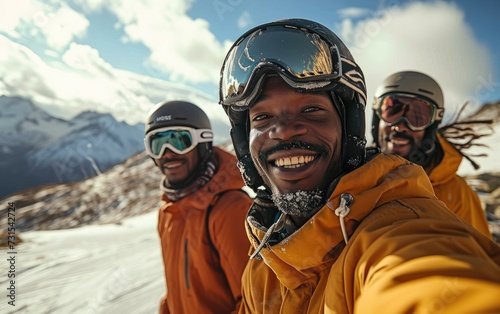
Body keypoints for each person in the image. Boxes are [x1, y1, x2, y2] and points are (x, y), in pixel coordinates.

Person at [218, 18, 500, 313]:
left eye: (312, 109)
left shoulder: (401, 228)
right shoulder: (263, 258)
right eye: (261, 117)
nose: (284, 131)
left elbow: (426, 269)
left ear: (349, 125)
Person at [144, 100, 253, 314]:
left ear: (203, 142)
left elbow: (254, 300)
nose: (168, 153)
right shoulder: (168, 210)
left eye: (179, 140)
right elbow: (178, 287)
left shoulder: (229, 209)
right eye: (157, 143)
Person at [371, 70, 491, 238]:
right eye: (392, 111)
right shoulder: (351, 176)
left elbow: (479, 257)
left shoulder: (456, 194)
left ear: (431, 127)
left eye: (417, 117)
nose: (401, 126)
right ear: (377, 117)